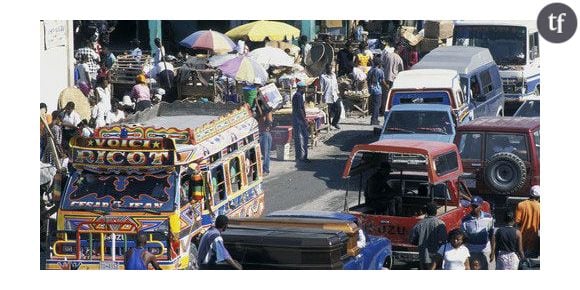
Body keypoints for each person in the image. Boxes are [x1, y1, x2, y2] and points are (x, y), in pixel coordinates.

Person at [409, 202, 448, 270]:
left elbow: (412, 240)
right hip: (437, 257)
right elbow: (444, 241)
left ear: (426, 212)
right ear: (436, 212)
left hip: (424, 256)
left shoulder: (419, 224)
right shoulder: (440, 224)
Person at [461, 196, 495, 270]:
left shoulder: (488, 218)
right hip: (471, 251)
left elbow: (492, 235)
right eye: (472, 206)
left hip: (485, 251)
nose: (474, 208)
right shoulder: (465, 220)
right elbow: (463, 238)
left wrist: (492, 252)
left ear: (481, 206)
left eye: (476, 206)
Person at [515, 185, 540, 258]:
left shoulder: (521, 205)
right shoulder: (540, 207)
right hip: (533, 242)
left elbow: (517, 222)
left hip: (521, 241)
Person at [380, 39, 404, 116]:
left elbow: (382, 65)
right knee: (392, 96)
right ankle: (390, 110)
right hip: (394, 80)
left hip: (386, 78)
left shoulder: (387, 55)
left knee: (385, 96)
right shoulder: (399, 59)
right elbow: (401, 71)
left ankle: (383, 111)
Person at [292, 81, 310, 163]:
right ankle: (302, 157)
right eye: (304, 88)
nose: (305, 90)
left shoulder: (296, 96)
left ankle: (298, 156)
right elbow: (300, 110)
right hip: (299, 121)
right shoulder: (298, 96)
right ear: (301, 88)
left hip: (297, 120)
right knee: (302, 138)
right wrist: (304, 120)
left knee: (298, 138)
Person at [320, 63, 341, 130]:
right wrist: (321, 97)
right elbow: (321, 87)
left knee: (339, 109)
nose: (330, 69)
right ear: (326, 69)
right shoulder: (323, 76)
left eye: (330, 68)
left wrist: (338, 92)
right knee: (328, 112)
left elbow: (336, 85)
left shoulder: (334, 75)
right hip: (327, 96)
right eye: (328, 68)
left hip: (334, 95)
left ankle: (334, 123)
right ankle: (328, 125)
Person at [255, 99, 273, 176]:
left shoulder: (265, 114)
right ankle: (265, 169)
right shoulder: (265, 113)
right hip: (265, 134)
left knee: (265, 154)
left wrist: (257, 103)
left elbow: (267, 121)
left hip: (265, 135)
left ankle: (266, 170)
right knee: (266, 154)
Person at [367, 57, 387, 125]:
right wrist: (387, 86)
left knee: (374, 105)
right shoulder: (380, 71)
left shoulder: (371, 70)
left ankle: (375, 119)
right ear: (379, 64)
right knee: (377, 106)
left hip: (371, 90)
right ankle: (374, 120)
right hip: (377, 90)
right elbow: (382, 81)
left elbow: (368, 79)